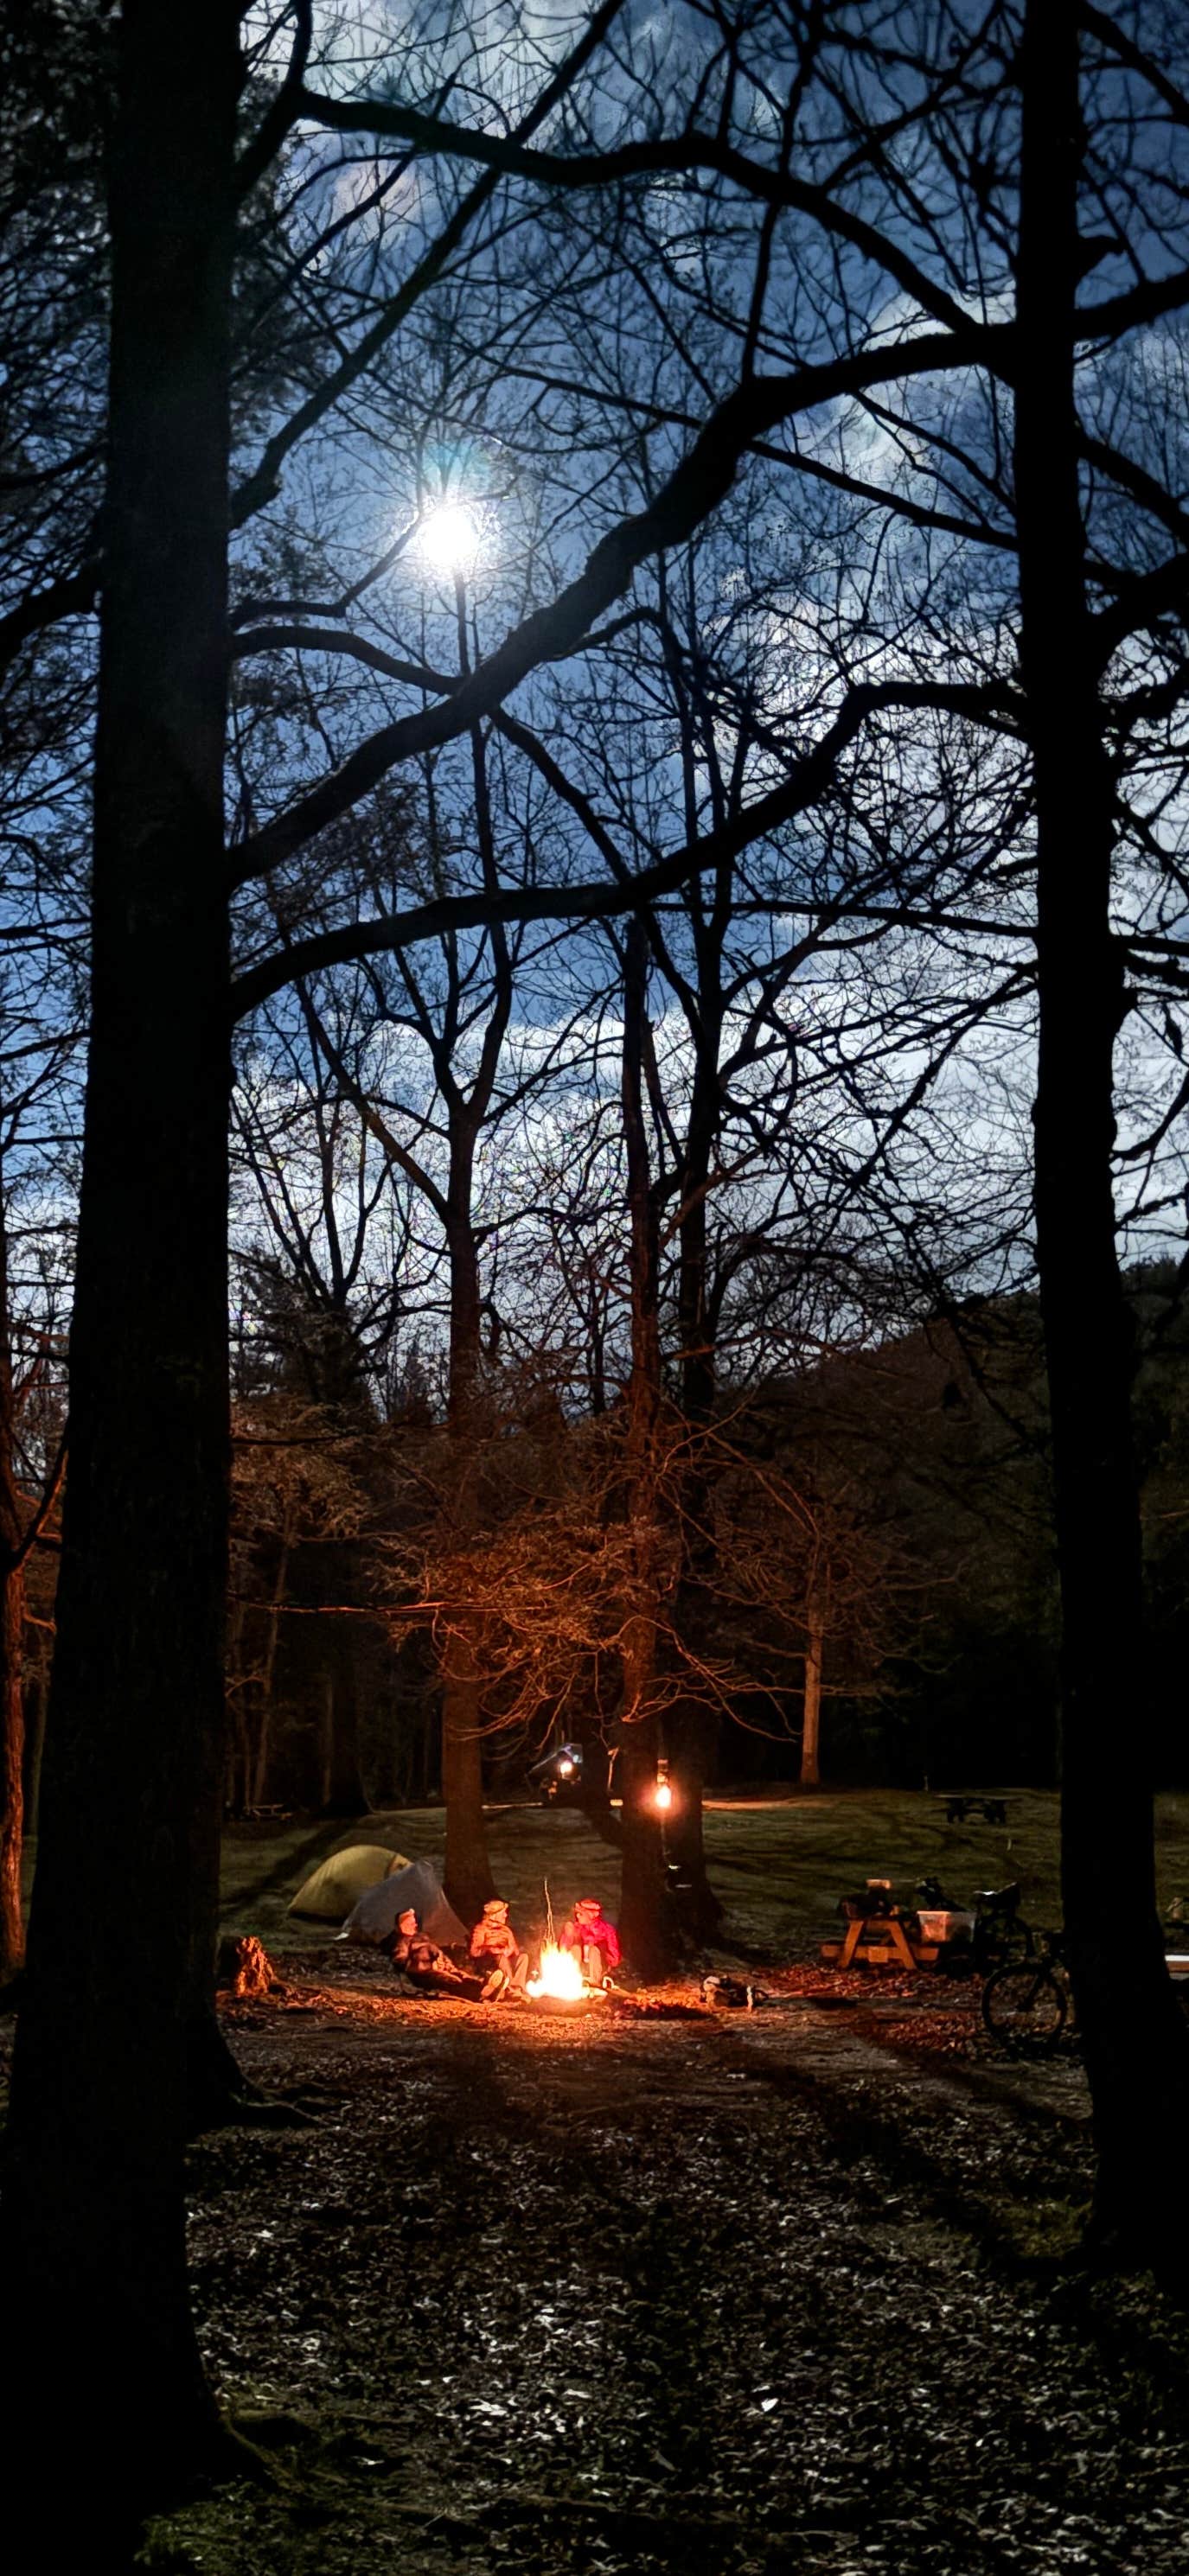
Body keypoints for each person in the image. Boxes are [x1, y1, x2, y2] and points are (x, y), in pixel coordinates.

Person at [387, 1907, 481, 1999]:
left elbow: (437, 1953)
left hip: (435, 1970)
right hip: (422, 1976)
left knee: (464, 1978)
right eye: (411, 1923)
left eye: (414, 1923)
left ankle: (480, 1989)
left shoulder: (421, 1937)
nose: (414, 1926)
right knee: (451, 1982)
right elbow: (400, 1961)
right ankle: (476, 1996)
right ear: (402, 1925)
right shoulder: (402, 1942)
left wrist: (444, 1963)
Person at [469, 1897, 529, 1999]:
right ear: (495, 1914)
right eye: (504, 1913)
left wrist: (509, 1950)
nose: (506, 1915)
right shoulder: (481, 1929)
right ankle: (509, 1988)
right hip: (491, 1962)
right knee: (500, 1957)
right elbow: (474, 1951)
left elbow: (515, 1951)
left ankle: (516, 1987)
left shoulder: (506, 1930)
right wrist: (489, 1949)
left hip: (507, 1960)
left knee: (524, 1957)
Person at [559, 1894, 621, 1983]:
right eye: (577, 1914)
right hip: (579, 1967)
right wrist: (568, 1936)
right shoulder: (576, 1928)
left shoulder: (607, 1930)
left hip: (598, 1965)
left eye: (581, 1914)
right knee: (575, 1949)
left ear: (593, 1915)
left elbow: (614, 1959)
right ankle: (571, 1980)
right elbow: (563, 1952)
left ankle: (595, 1982)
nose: (578, 1916)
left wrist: (603, 1952)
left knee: (594, 1951)